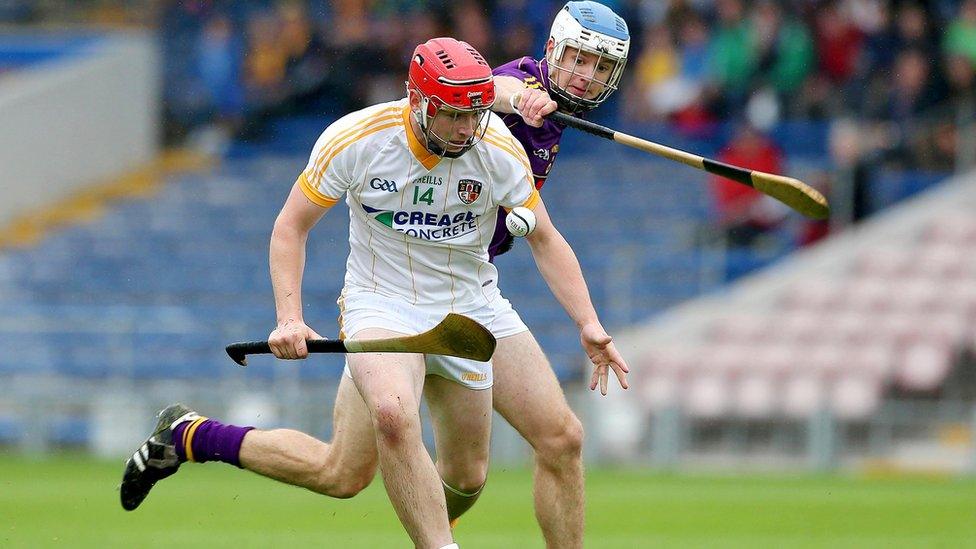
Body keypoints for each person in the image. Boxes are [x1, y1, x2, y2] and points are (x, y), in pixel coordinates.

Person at [119, 37, 628, 549]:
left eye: (474, 114)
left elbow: (544, 237)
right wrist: (289, 317)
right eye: (453, 116)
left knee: (378, 474)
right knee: (391, 412)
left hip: (471, 303)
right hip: (380, 303)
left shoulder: (496, 148)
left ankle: (190, 435)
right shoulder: (357, 139)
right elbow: (290, 228)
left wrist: (588, 323)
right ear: (418, 102)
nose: (467, 128)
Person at [475, 2, 631, 545]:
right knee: (343, 472)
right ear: (553, 49)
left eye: (600, 67)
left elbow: (543, 234)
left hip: (477, 282)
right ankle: (200, 437)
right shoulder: (520, 84)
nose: (586, 74)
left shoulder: (555, 124)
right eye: (578, 58)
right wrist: (518, 98)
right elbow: (475, 89)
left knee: (562, 439)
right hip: (412, 278)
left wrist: (589, 324)